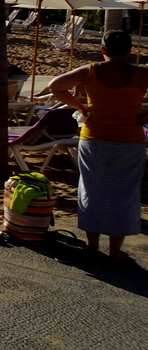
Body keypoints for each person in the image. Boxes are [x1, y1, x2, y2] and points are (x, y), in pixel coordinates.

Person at [46, 31, 148, 261]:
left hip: (95, 139)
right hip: (130, 142)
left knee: (92, 190)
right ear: (129, 51)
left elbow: (55, 86)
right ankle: (114, 251)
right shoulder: (141, 74)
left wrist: (80, 106)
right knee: (124, 194)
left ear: (103, 50)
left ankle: (92, 247)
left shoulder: (91, 71)